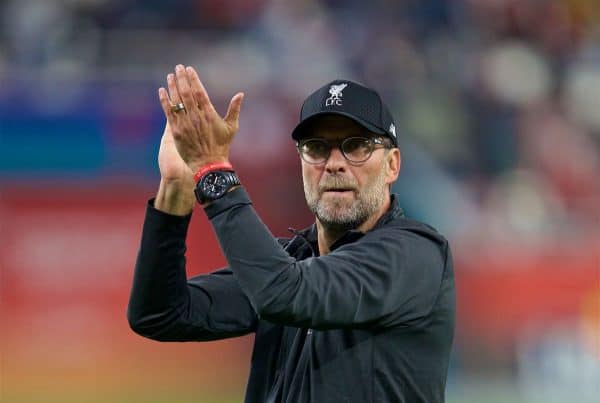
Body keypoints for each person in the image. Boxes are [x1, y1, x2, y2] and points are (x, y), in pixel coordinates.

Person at [127, 64, 456, 403]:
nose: (334, 163)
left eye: (356, 146)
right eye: (316, 147)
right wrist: (177, 188)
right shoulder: (292, 263)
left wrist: (213, 173)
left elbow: (284, 294)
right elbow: (159, 313)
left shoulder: (415, 255)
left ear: (392, 165)